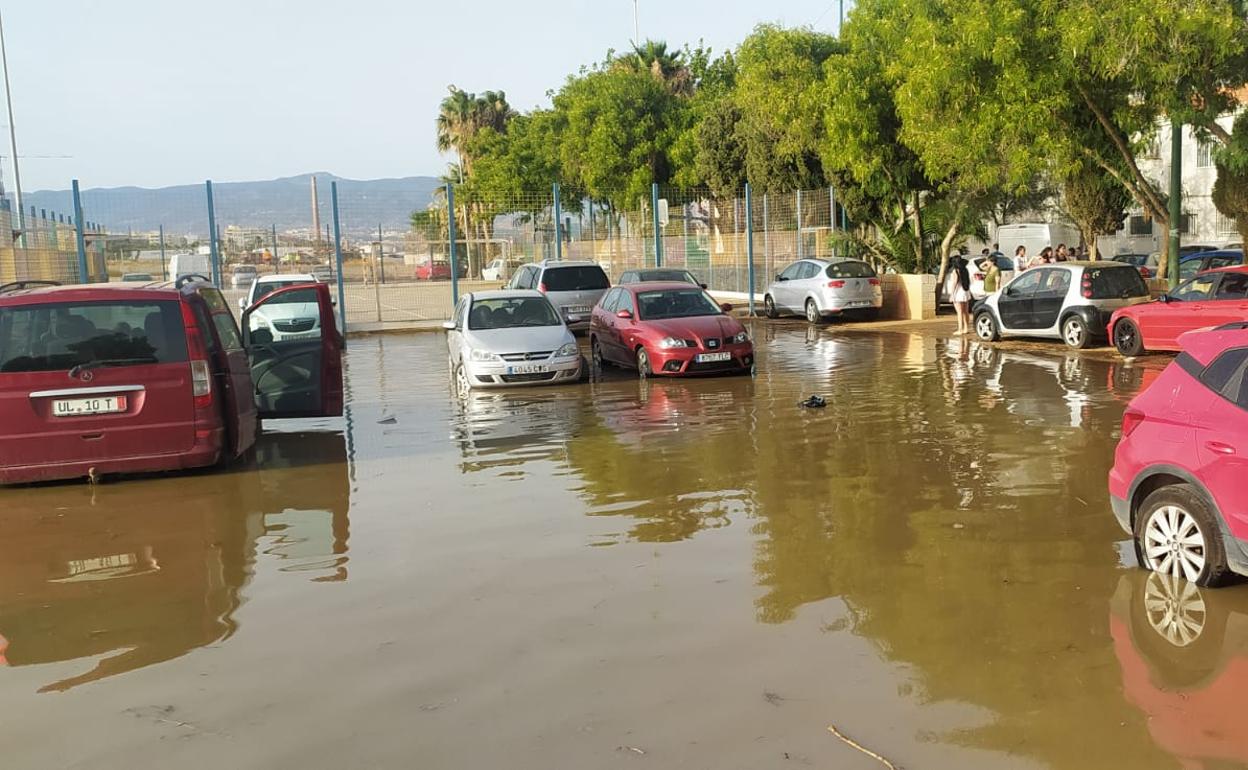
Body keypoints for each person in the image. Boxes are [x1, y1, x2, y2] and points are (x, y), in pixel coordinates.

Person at [945, 250, 974, 335]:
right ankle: (966, 328)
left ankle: (960, 329)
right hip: (965, 291)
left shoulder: (955, 271)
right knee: (965, 311)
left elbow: (954, 283)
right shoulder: (965, 270)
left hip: (958, 293)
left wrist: (951, 295)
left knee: (959, 312)